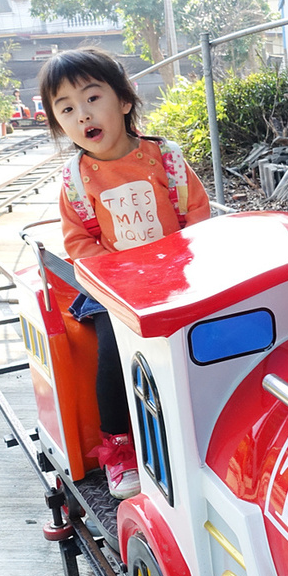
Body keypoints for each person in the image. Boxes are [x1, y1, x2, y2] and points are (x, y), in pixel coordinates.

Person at [38, 47, 210, 498]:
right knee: (113, 351)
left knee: (200, 342)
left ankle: (201, 424)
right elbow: (77, 241)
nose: (83, 116)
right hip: (115, 289)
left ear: (125, 101)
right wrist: (120, 280)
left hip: (178, 279)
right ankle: (118, 446)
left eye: (92, 99)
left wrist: (181, 264)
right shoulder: (76, 179)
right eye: (67, 109)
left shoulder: (166, 159)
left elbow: (197, 215)